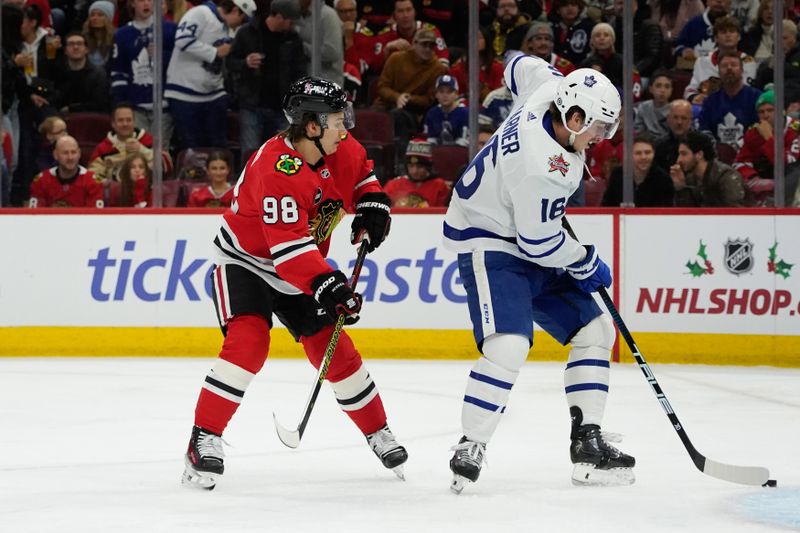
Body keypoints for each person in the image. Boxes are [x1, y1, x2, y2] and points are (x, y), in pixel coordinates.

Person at [182, 76, 407, 491]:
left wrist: (373, 204)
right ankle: (204, 437)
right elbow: (288, 251)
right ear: (311, 126)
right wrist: (331, 285)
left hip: (301, 264)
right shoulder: (278, 169)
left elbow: (361, 178)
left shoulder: (339, 146)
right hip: (246, 262)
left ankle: (378, 431)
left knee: (334, 348)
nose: (346, 128)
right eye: (338, 120)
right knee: (249, 343)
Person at [443, 56, 634, 493]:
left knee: (595, 330)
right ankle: (471, 444)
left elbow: (518, 64)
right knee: (509, 345)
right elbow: (540, 246)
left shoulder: (549, 88)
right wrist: (586, 261)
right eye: (599, 128)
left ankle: (587, 441)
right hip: (490, 239)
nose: (603, 138)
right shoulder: (541, 167)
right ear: (574, 116)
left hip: (522, 227)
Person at [165, 0, 254, 152]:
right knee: (191, 148)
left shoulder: (231, 30)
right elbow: (182, 39)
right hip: (184, 92)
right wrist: (214, 52)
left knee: (218, 146)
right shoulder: (201, 13)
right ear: (235, 11)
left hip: (214, 92)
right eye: (242, 19)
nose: (241, 24)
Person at [226, 0, 305, 164]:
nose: (293, 25)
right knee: (251, 154)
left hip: (282, 108)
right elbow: (230, 62)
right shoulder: (247, 33)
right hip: (252, 105)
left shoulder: (293, 38)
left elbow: (300, 70)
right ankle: (248, 188)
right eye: (291, 21)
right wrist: (245, 63)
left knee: (281, 156)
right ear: (280, 17)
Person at [670, 129, 746, 206]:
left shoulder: (726, 177)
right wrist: (680, 187)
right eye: (679, 154)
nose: (678, 160)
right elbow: (685, 215)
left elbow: (735, 214)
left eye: (684, 154)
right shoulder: (690, 178)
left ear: (699, 155)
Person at [28, 135, 104, 208]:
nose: (70, 157)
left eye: (73, 152)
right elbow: (35, 216)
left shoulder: (93, 182)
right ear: (55, 155)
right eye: (65, 153)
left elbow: (94, 218)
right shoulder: (41, 181)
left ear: (79, 154)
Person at [602, 134, 674, 206]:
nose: (643, 157)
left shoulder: (663, 179)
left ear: (654, 153)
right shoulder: (618, 175)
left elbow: (667, 211)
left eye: (647, 152)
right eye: (638, 153)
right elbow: (607, 206)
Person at [383, 138, 451, 207]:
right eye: (411, 166)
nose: (414, 171)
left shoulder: (439, 186)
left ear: (428, 167)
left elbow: (442, 214)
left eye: (420, 167)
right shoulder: (393, 185)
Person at [423, 74, 469, 147]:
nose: (445, 95)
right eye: (441, 91)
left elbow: (464, 142)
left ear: (456, 94)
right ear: (436, 94)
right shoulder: (432, 113)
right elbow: (429, 140)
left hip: (459, 153)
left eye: (449, 92)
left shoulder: (465, 114)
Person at [633, 70, 672, 142]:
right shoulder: (643, 107)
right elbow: (638, 132)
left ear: (671, 90)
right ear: (651, 89)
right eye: (658, 86)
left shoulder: (675, 110)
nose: (662, 90)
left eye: (667, 87)